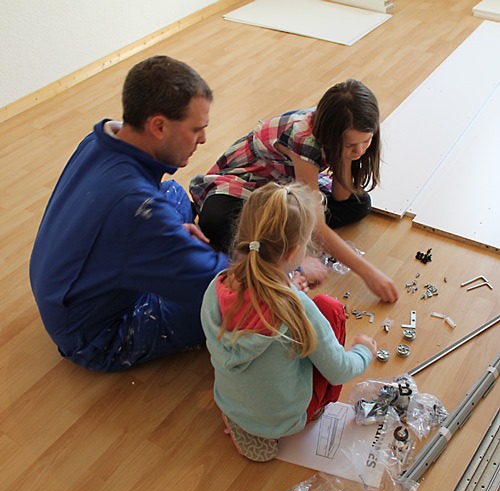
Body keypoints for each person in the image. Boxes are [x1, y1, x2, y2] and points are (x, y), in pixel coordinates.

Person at [29, 55, 229, 372]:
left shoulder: (99, 140)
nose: (203, 139)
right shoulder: (137, 208)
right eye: (196, 129)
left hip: (64, 287)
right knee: (230, 307)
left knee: (174, 193)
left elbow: (133, 215)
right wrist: (287, 271)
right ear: (158, 126)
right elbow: (219, 284)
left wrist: (166, 237)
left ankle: (163, 254)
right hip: (93, 335)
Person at [201, 182, 377, 462]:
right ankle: (281, 424)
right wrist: (363, 351)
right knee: (329, 308)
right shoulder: (296, 306)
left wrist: (288, 283)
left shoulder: (216, 287)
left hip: (231, 403)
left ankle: (243, 423)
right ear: (295, 251)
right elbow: (340, 371)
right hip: (288, 419)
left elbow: (255, 302)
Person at [190, 80, 398, 302]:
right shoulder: (303, 139)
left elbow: (341, 196)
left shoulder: (344, 134)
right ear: (331, 137)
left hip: (284, 185)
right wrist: (368, 272)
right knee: (218, 220)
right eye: (350, 145)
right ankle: (281, 255)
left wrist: (346, 155)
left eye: (366, 141)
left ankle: (278, 240)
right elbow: (315, 223)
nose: (359, 151)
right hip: (245, 184)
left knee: (358, 203)